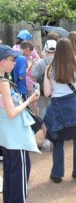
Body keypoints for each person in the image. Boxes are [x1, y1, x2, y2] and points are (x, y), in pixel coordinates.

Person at [43, 38, 76, 183]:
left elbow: (46, 93)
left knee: (58, 141)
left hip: (57, 107)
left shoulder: (50, 69)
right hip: (74, 107)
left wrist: (55, 88)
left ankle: (57, 174)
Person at [0, 44, 40, 203]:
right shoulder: (3, 82)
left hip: (6, 135)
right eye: (12, 60)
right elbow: (12, 112)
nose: (14, 63)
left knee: (10, 171)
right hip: (15, 134)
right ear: (2, 62)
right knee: (20, 172)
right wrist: (30, 100)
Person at [32, 39, 57, 151]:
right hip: (57, 92)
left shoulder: (40, 63)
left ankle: (47, 140)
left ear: (45, 49)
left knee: (43, 115)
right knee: (55, 115)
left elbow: (34, 77)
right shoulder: (60, 62)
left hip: (43, 93)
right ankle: (56, 137)